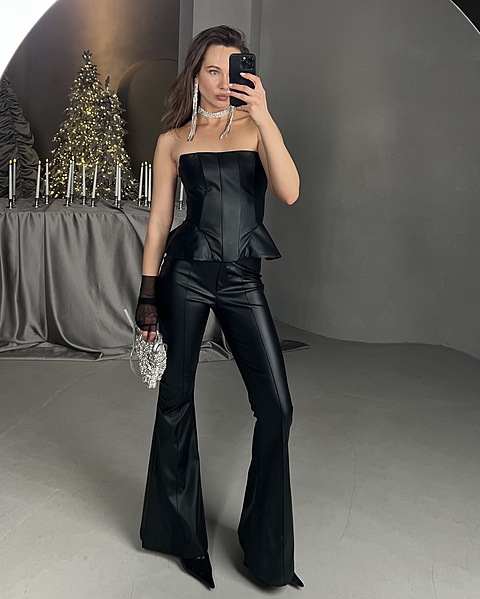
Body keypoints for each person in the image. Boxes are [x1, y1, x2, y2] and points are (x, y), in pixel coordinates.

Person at [135, 25, 302, 590]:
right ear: (195, 74)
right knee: (176, 399)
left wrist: (266, 114)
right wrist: (148, 292)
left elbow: (289, 191)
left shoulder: (257, 128)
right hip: (185, 275)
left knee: (276, 407)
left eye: (231, 70)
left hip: (241, 279)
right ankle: (182, 537)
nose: (221, 81)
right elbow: (160, 220)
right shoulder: (173, 139)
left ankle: (266, 546)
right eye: (211, 70)